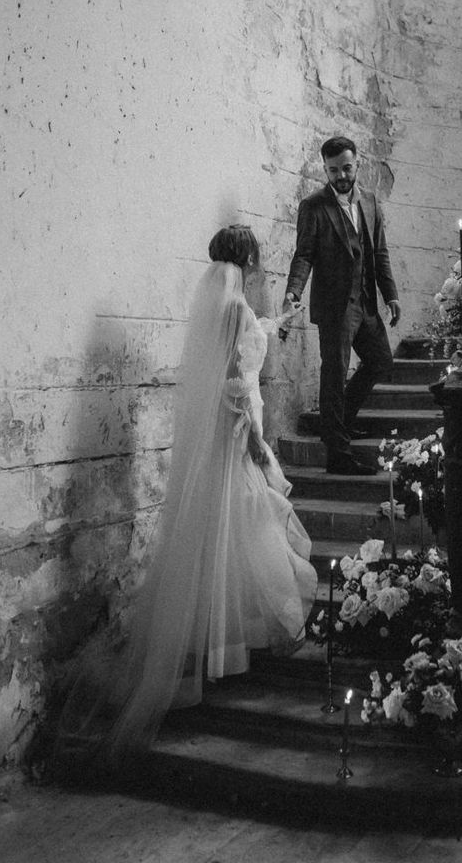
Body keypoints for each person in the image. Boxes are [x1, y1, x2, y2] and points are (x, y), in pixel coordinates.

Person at [53, 226, 317, 771]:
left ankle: (217, 643)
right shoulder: (234, 300)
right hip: (239, 425)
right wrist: (258, 440)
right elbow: (234, 377)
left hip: (226, 426)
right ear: (246, 256)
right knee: (250, 517)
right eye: (255, 255)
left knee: (226, 523)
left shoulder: (223, 299)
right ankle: (231, 645)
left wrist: (273, 324)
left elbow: (236, 344)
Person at [283, 136, 401, 476]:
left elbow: (379, 253)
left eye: (347, 168)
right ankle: (338, 454)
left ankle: (340, 422)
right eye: (334, 170)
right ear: (325, 169)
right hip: (335, 307)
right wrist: (293, 291)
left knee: (380, 362)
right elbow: (304, 254)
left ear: (357, 165)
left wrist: (390, 295)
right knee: (333, 375)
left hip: (365, 305)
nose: (341, 176)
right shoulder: (314, 205)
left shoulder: (371, 203)